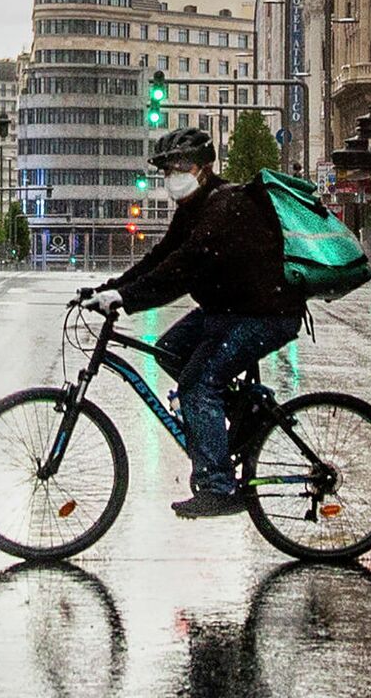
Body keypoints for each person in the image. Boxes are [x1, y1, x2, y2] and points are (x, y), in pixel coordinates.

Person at [78, 128, 305, 518]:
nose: (172, 176)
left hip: (264, 314)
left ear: (203, 169)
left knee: (198, 385)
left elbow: (183, 269)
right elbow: (162, 257)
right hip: (229, 310)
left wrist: (127, 299)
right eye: (166, 170)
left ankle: (218, 487)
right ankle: (244, 416)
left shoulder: (223, 206)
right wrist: (109, 288)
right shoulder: (193, 209)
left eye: (179, 167)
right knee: (169, 351)